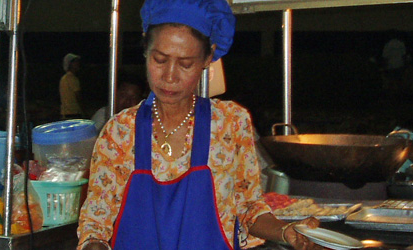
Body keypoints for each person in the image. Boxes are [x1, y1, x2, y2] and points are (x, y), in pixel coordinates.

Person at [77, 0, 323, 249]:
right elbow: (96, 222)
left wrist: (286, 232)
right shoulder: (119, 132)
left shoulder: (230, 123)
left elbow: (248, 208)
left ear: (207, 58)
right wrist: (93, 244)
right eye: (160, 60)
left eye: (186, 64)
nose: (170, 76)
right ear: (145, 51)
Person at [60, 53, 84, 120]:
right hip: (73, 114)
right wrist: (84, 112)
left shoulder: (64, 78)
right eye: (75, 62)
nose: (78, 64)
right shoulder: (72, 78)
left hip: (65, 114)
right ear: (70, 64)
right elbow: (78, 96)